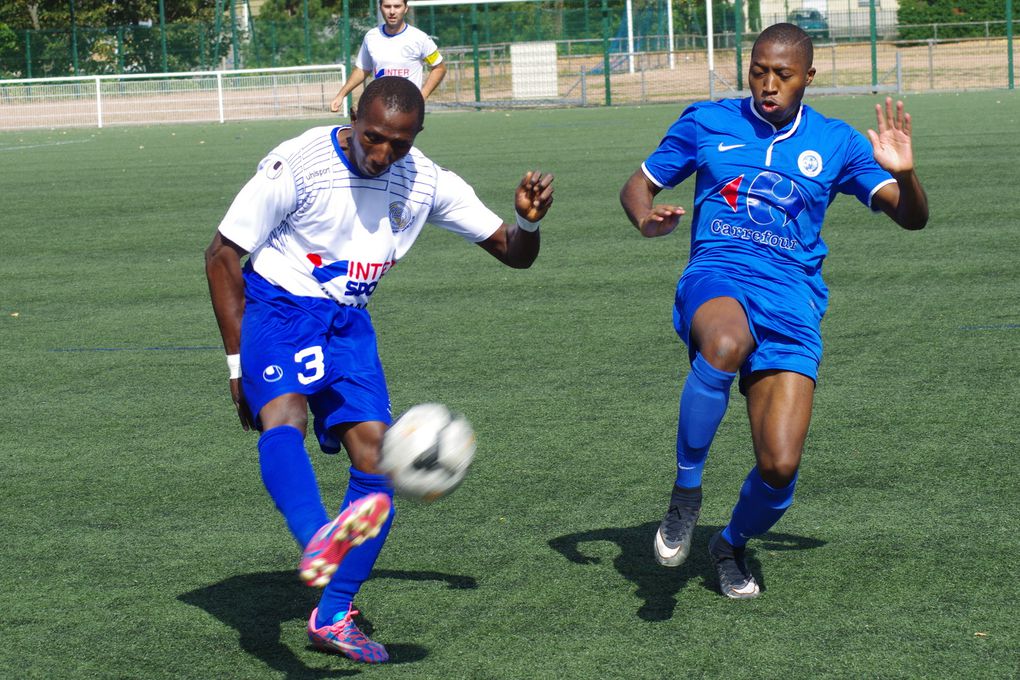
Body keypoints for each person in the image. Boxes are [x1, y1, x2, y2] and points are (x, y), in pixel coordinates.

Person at [205, 76, 553, 663]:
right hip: (279, 307)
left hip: (349, 327)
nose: (382, 153)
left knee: (379, 465)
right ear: (352, 117)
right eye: (372, 137)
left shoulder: (426, 181)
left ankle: (333, 615)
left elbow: (514, 254)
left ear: (416, 136)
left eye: (399, 142)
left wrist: (532, 222)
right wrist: (238, 363)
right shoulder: (298, 164)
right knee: (282, 415)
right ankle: (319, 534)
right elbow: (222, 254)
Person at [619, 23, 928, 600]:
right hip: (718, 274)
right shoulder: (707, 121)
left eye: (782, 75)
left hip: (792, 302)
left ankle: (729, 543)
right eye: (758, 70)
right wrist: (645, 218)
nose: (767, 84)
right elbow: (638, 185)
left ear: (808, 77)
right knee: (725, 344)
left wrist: (906, 176)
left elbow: (911, 217)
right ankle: (686, 497)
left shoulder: (836, 142)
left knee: (780, 468)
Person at [329, 0, 447, 113]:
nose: (392, 11)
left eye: (397, 6)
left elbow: (439, 68)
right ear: (380, 8)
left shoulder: (420, 38)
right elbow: (362, 69)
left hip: (408, 110)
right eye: (387, 6)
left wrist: (422, 96)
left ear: (405, 9)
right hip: (380, 108)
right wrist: (341, 95)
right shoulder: (371, 37)